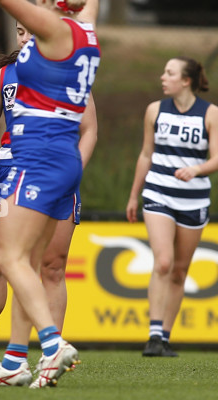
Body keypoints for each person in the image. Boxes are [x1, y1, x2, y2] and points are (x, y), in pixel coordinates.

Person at [0, 16, 97, 369]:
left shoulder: (69, 71)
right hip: (11, 177)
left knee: (52, 266)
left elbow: (90, 130)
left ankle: (49, 353)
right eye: (20, 30)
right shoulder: (4, 76)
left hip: (55, 177)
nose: (25, 36)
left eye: (31, 30)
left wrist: (74, 172)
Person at [126, 57, 218, 357]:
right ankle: (153, 336)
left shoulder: (210, 114)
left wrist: (198, 170)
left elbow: (216, 158)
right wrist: (133, 195)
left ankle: (165, 337)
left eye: (170, 73)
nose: (163, 77)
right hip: (158, 193)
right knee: (163, 261)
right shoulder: (155, 110)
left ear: (186, 80)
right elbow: (145, 154)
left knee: (179, 270)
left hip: (193, 199)